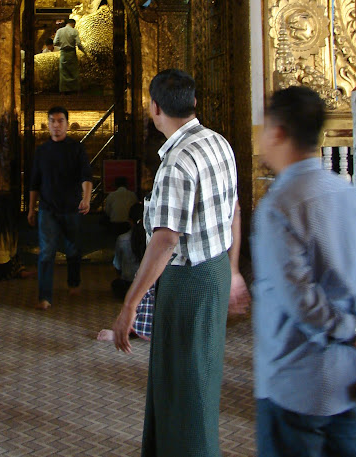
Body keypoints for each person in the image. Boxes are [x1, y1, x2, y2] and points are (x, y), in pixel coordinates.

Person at [112, 69, 239, 457]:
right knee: (196, 373)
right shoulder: (219, 143)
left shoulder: (176, 164)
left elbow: (165, 242)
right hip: (215, 271)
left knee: (185, 383)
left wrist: (129, 305)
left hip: (188, 283)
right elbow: (233, 208)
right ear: (193, 102)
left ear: (154, 108)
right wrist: (233, 270)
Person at [252, 85, 356, 457]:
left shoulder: (280, 207)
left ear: (279, 132)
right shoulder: (352, 196)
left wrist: (348, 331)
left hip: (294, 380)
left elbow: (299, 299)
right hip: (347, 378)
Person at [28, 105, 93, 310]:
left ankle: (74, 282)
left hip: (71, 208)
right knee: (46, 252)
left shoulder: (76, 148)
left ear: (67, 123)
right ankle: (44, 296)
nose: (56, 125)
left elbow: (86, 177)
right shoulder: (41, 151)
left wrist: (86, 199)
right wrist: (31, 209)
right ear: (48, 124)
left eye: (60, 121)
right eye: (52, 121)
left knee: (73, 248)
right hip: (48, 209)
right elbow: (34, 183)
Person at [98, 202, 156, 343]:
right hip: (151, 287)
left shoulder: (123, 239)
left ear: (130, 221)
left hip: (130, 287)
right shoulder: (156, 240)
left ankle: (133, 327)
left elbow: (117, 266)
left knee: (119, 284)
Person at [53, 19, 86, 94]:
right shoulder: (74, 31)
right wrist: (84, 52)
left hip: (63, 53)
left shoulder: (59, 31)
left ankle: (64, 90)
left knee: (64, 72)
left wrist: (61, 45)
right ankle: (74, 90)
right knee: (73, 72)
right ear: (73, 24)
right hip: (71, 53)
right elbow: (78, 43)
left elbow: (55, 42)